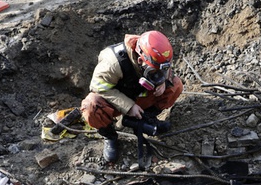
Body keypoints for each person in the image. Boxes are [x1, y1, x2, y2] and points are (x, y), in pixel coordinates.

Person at [71, 31, 182, 163]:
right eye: (154, 71)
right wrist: (128, 106)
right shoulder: (113, 63)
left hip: (139, 96)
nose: (159, 74)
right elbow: (98, 87)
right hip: (115, 101)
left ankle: (145, 119)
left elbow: (164, 67)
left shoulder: (156, 56)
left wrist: (163, 80)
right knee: (91, 107)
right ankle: (110, 136)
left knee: (175, 86)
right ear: (140, 60)